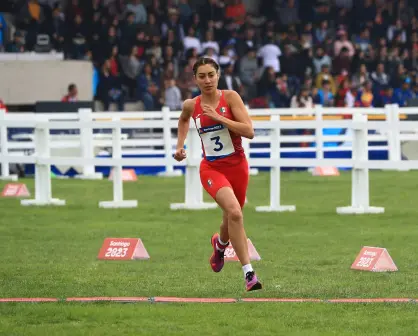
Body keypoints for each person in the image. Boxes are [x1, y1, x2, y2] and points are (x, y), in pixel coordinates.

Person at [174, 57, 262, 292]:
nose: (207, 80)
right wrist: (180, 146)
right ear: (195, 79)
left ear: (218, 75)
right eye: (201, 76)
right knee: (234, 212)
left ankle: (220, 244)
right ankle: (249, 274)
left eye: (211, 75)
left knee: (230, 217)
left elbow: (249, 131)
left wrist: (219, 117)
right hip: (212, 169)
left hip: (238, 167)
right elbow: (183, 121)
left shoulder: (231, 98)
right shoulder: (191, 105)